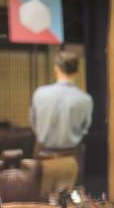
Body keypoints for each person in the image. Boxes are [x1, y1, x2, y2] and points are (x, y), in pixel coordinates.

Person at [30, 50, 93, 198]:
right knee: (68, 206)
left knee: (40, 206)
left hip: (42, 159)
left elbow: (33, 124)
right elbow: (85, 128)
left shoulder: (39, 93)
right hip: (71, 160)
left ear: (56, 68)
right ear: (77, 71)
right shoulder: (85, 99)